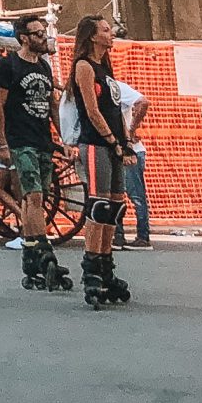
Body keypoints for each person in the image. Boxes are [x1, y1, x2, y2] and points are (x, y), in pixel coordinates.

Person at [0, 14, 70, 291]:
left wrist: (64, 138)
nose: (42, 37)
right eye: (37, 34)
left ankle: (30, 254)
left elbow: (53, 106)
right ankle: (43, 249)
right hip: (19, 139)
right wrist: (1, 144)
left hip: (42, 139)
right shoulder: (7, 65)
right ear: (23, 37)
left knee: (38, 198)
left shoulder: (44, 67)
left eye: (42, 32)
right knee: (32, 194)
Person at [67, 16, 132, 308]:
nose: (111, 34)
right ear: (92, 37)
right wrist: (111, 140)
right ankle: (92, 266)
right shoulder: (84, 67)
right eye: (105, 30)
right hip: (96, 143)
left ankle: (106, 265)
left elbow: (115, 109)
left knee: (115, 206)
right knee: (99, 204)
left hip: (114, 143)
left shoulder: (106, 68)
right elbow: (92, 111)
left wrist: (126, 140)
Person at [111, 70, 153, 249]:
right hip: (115, 149)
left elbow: (143, 102)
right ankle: (118, 235)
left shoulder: (117, 87)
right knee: (115, 195)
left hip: (131, 150)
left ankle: (143, 236)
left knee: (135, 195)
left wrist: (131, 130)